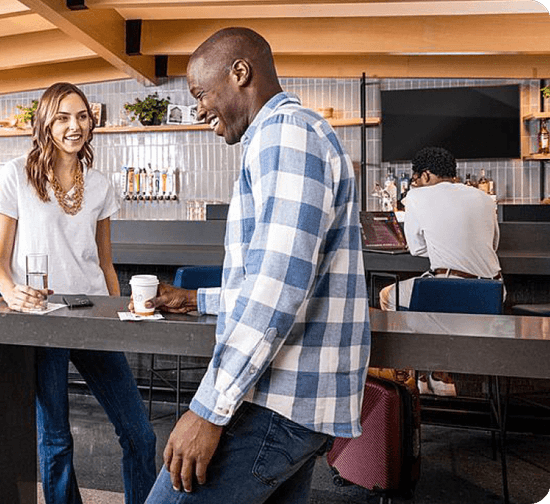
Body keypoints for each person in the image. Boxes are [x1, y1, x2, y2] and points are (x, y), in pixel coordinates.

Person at [133, 27, 371, 504]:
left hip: (273, 400)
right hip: (297, 402)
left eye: (201, 93)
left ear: (240, 73)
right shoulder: (292, 134)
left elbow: (278, 285)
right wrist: (199, 298)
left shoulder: (285, 133)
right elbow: (286, 279)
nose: (198, 108)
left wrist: (209, 409)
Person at [0, 82, 156, 504]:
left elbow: (104, 262)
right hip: (44, 317)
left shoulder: (99, 185)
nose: (73, 126)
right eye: (62, 117)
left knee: (140, 433)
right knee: (56, 439)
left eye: (81, 116)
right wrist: (12, 293)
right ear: (46, 122)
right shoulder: (14, 176)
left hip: (96, 313)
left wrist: (124, 315)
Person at [379, 146, 502, 396]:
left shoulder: (416, 197)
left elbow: (416, 248)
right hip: (493, 293)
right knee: (427, 292)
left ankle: (416, 374)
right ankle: (435, 373)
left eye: (415, 178)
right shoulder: (483, 198)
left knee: (387, 295)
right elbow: (493, 244)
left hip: (448, 293)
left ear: (425, 175)